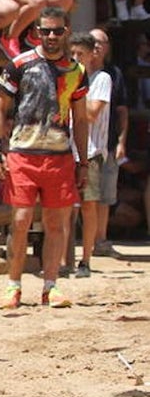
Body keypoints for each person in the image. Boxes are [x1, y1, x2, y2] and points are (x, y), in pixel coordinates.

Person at [0, 7, 88, 309]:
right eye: (46, 31)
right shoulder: (19, 64)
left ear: (66, 31)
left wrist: (83, 162)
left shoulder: (76, 71)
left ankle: (51, 285)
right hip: (23, 153)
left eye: (57, 30)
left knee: (56, 224)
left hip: (59, 155)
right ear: (37, 33)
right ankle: (13, 285)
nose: (52, 36)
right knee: (20, 221)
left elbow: (81, 120)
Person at [71, 31, 111, 279]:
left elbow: (92, 113)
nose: (76, 58)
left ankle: (85, 259)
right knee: (64, 208)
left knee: (88, 206)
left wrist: (71, 91)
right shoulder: (67, 77)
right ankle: (64, 259)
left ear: (91, 55)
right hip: (66, 148)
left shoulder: (101, 78)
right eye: (72, 54)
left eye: (80, 54)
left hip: (91, 150)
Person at [90, 27, 128, 257]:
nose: (96, 46)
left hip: (109, 142)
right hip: (81, 144)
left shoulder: (114, 74)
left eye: (101, 42)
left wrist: (122, 141)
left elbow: (123, 110)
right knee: (85, 198)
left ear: (107, 47)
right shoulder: (78, 71)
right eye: (92, 42)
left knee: (105, 196)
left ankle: (100, 241)